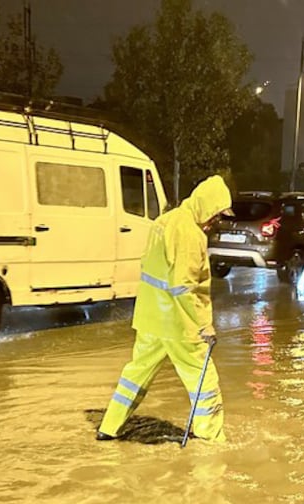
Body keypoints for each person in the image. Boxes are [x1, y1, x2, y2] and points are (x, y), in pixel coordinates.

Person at [96, 175, 233, 443]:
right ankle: (211, 439)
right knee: (205, 383)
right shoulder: (189, 233)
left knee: (135, 375)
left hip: (150, 319)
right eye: (217, 214)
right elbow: (183, 286)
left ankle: (109, 426)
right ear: (206, 206)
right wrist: (204, 326)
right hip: (179, 324)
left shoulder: (165, 221)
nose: (217, 221)